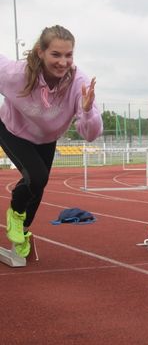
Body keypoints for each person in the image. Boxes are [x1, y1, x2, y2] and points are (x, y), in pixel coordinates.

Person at [0, 25, 103, 257]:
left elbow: (90, 134)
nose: (63, 62)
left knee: (38, 188)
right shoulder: (16, 74)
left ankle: (23, 230)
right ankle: (15, 214)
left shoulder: (79, 83)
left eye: (68, 55)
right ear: (40, 52)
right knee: (37, 176)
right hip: (12, 129)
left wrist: (87, 111)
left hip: (46, 137)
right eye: (56, 54)